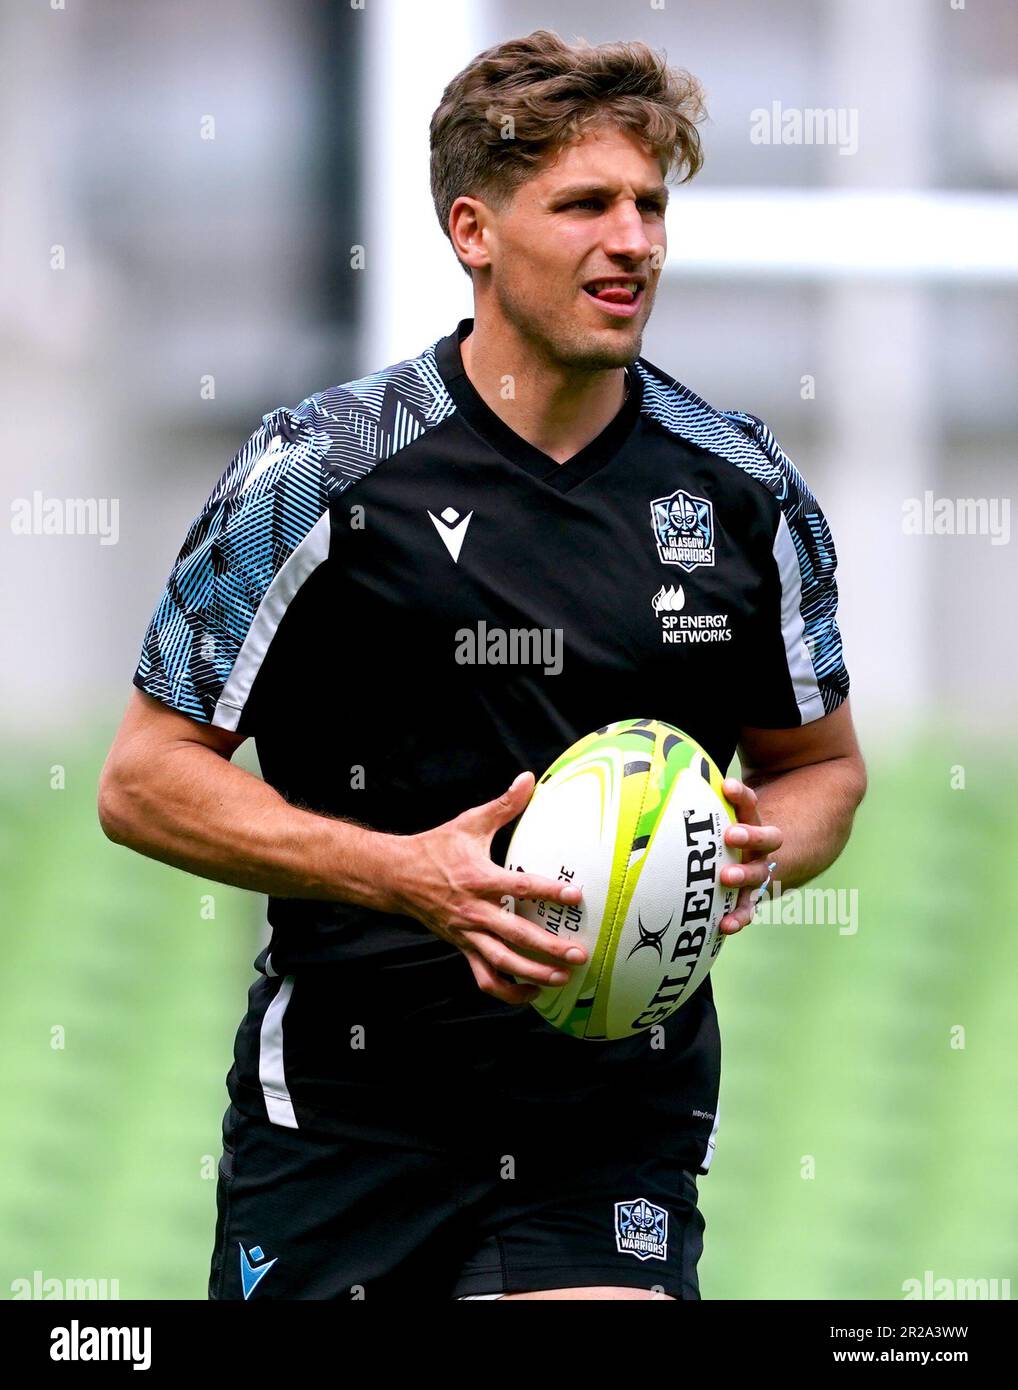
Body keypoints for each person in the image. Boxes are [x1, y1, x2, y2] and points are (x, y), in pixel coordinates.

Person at [98, 29, 866, 1301]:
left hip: (611, 1119)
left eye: (649, 205)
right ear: (474, 229)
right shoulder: (316, 471)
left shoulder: (745, 490)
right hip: (346, 1123)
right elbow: (144, 778)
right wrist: (407, 877)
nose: (634, 240)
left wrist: (763, 846)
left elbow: (822, 769)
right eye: (585, 205)